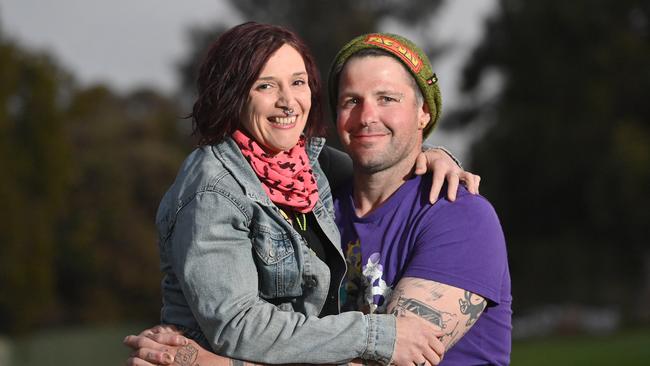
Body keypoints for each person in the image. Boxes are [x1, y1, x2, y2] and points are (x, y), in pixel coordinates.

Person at [125, 30, 508, 366]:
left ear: (425, 111)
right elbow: (240, 323)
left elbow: (391, 361)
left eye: (388, 98)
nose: (366, 117)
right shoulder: (303, 194)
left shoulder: (459, 216)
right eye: (351, 101)